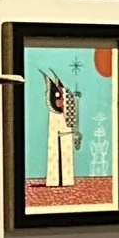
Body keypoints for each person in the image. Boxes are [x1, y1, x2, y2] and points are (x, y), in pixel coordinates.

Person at [42, 64, 81, 193]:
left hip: (65, 124)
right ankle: (53, 179)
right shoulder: (53, 112)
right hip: (57, 119)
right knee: (54, 150)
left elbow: (71, 116)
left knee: (66, 152)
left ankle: (66, 179)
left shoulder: (66, 99)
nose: (60, 100)